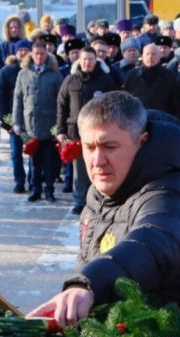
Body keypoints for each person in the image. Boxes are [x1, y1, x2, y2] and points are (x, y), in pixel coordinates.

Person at [26, 92, 180, 328]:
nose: (97, 161)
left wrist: (89, 283)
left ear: (142, 142)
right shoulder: (99, 192)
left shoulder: (168, 192)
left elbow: (156, 240)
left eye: (109, 146)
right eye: (89, 147)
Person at [57, 46, 117, 215]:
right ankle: (79, 201)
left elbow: (114, 103)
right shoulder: (71, 80)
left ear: (95, 61)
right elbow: (61, 105)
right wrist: (60, 130)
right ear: (79, 61)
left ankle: (98, 200)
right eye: (84, 59)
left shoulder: (105, 80)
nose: (87, 62)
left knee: (98, 166)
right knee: (79, 170)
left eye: (90, 59)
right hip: (75, 132)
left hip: (99, 133)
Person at [12, 40, 62, 202]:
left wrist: (59, 125)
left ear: (47, 55)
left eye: (42, 54)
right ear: (31, 55)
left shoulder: (55, 74)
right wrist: (16, 121)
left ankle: (49, 190)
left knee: (49, 161)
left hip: (50, 124)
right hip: (30, 124)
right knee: (34, 161)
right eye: (36, 54)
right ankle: (35, 189)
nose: (39, 57)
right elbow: (18, 99)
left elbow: (61, 100)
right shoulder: (23, 74)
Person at [0, 39, 33, 193]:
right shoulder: (7, 71)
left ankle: (33, 181)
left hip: (31, 122)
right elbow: (0, 98)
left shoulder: (34, 70)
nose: (23, 53)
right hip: (14, 122)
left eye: (26, 50)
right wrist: (7, 122)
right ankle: (19, 181)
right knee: (16, 153)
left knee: (33, 152)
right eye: (20, 50)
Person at [123, 43, 180, 118]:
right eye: (147, 54)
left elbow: (176, 103)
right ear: (142, 56)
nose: (150, 57)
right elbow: (126, 99)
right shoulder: (132, 75)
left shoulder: (169, 76)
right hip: (137, 119)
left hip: (162, 119)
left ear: (159, 56)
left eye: (154, 54)